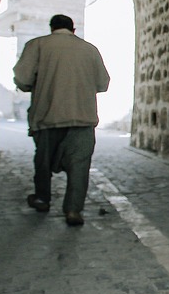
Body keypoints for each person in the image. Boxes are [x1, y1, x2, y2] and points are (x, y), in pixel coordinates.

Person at [13, 14, 111, 227]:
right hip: (83, 118)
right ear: (73, 30)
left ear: (52, 28)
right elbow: (103, 83)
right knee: (79, 167)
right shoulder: (90, 49)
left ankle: (42, 198)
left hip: (48, 116)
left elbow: (22, 79)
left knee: (43, 162)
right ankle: (74, 210)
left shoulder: (37, 45)